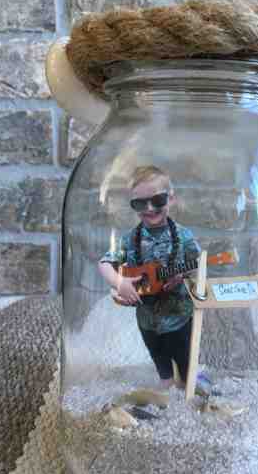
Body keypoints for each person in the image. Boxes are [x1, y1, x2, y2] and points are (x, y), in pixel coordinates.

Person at [98, 165, 206, 391]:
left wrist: (182, 275)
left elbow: (198, 263)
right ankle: (166, 386)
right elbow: (104, 263)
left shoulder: (184, 236)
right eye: (140, 203)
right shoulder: (130, 240)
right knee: (160, 359)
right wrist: (120, 282)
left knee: (184, 359)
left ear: (171, 199)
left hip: (178, 316)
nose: (149, 208)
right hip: (147, 318)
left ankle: (190, 385)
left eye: (157, 200)